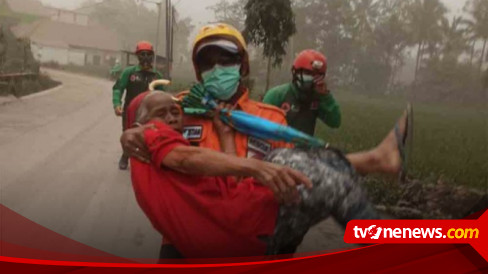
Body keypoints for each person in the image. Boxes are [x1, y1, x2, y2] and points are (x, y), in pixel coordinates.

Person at [121, 23, 411, 257]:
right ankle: (377, 165)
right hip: (185, 243)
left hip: (252, 233)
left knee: (317, 170)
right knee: (310, 170)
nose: (218, 68)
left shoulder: (269, 119)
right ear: (198, 71)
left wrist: (284, 188)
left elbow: (288, 183)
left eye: (227, 60)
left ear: (242, 65)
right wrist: (129, 133)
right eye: (208, 63)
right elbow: (151, 127)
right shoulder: (180, 109)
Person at [126, 91, 411, 258]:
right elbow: (187, 159)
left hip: (246, 231)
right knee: (326, 181)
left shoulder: (166, 156)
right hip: (247, 225)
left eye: (174, 111)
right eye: (160, 113)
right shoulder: (151, 136)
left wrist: (226, 136)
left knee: (322, 163)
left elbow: (228, 184)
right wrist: (258, 167)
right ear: (139, 123)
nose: (172, 117)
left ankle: (380, 160)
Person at [263, 50, 341, 136]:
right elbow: (261, 126)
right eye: (307, 73)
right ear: (295, 72)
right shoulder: (277, 95)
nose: (312, 77)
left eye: (316, 75)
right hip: (278, 147)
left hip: (304, 148)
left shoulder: (318, 98)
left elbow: (335, 122)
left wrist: (325, 96)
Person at [112, 41, 164, 170]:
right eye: (142, 54)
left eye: (148, 54)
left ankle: (145, 160)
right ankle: (125, 156)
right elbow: (118, 88)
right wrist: (116, 104)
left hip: (149, 112)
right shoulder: (129, 73)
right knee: (129, 135)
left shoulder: (157, 76)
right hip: (130, 110)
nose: (145, 57)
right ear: (137, 56)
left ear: (152, 56)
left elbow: (163, 95)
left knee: (149, 136)